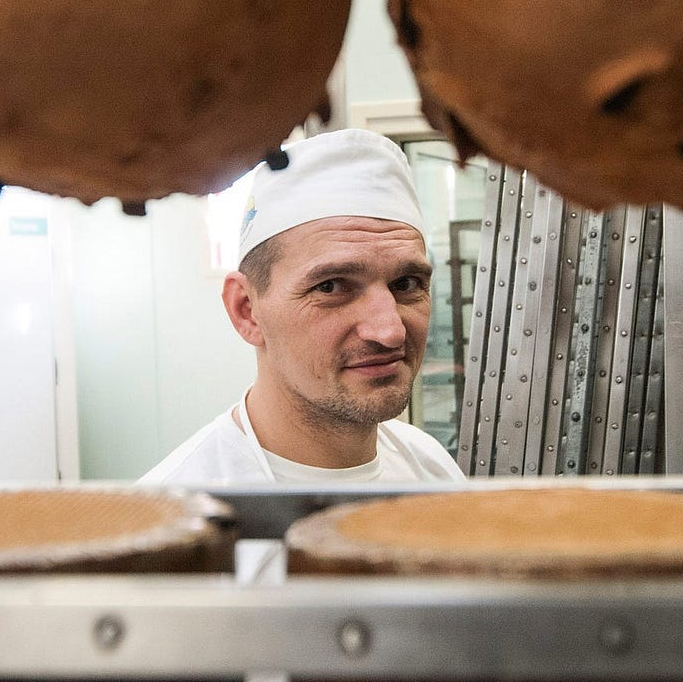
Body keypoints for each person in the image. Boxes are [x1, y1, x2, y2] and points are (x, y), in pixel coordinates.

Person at [140, 128, 466, 484]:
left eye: (406, 284)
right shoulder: (178, 512)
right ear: (246, 310)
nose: (389, 331)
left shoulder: (432, 468)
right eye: (331, 287)